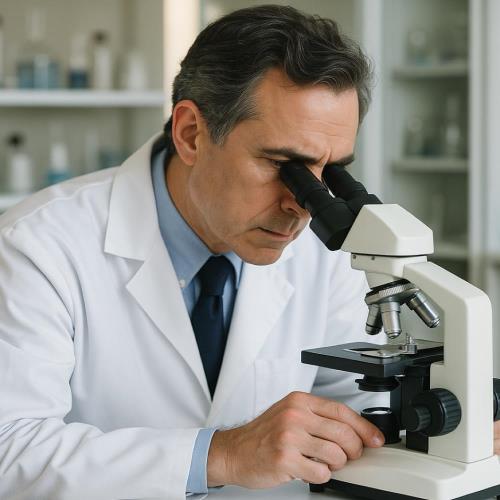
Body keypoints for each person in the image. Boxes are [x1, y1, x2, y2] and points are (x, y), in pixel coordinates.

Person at [0, 4, 497, 499]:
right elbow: (10, 451)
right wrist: (221, 454)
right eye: (283, 165)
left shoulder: (324, 249)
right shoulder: (37, 246)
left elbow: (352, 404)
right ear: (191, 134)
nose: (301, 205)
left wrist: (441, 435)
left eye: (329, 173)